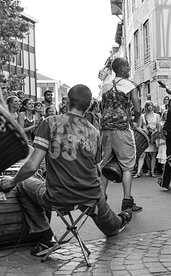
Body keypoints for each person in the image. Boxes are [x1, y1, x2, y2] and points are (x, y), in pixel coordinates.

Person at [0, 84, 132, 256]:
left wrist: (11, 181)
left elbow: (32, 166)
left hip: (57, 198)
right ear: (89, 106)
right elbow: (96, 169)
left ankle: (47, 237)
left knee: (22, 184)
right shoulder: (94, 132)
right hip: (90, 197)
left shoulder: (50, 122)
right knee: (113, 229)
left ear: (67, 102)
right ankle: (123, 217)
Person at [100, 57, 142, 211]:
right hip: (122, 128)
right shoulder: (129, 86)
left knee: (105, 164)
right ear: (122, 68)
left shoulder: (105, 86)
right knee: (127, 166)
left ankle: (101, 198)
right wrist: (136, 122)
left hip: (105, 129)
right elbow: (137, 109)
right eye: (128, 66)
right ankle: (127, 201)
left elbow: (102, 108)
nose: (129, 69)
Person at [135, 100, 160, 178]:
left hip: (153, 136)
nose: (150, 107)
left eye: (151, 105)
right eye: (148, 105)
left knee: (153, 154)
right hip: (145, 137)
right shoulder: (142, 116)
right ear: (146, 107)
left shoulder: (157, 116)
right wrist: (144, 130)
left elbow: (159, 127)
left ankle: (152, 171)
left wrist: (154, 131)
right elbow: (138, 127)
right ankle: (138, 172)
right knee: (143, 154)